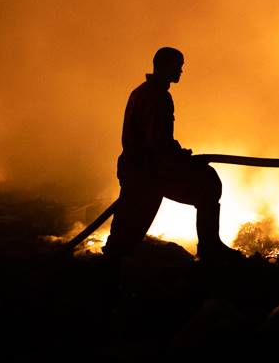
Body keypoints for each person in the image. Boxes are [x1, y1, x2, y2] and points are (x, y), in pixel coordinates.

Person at [103, 47, 241, 263]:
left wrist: (182, 157)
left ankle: (210, 246)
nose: (181, 71)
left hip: (140, 170)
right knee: (208, 184)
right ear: (164, 66)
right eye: (178, 66)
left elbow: (157, 142)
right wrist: (183, 160)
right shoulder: (158, 97)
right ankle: (210, 248)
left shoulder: (141, 91)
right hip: (148, 174)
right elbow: (158, 143)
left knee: (126, 232)